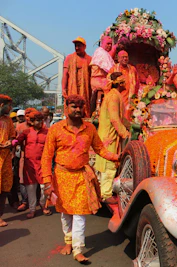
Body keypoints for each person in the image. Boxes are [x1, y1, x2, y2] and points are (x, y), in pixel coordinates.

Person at [41, 94, 119, 262]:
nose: (77, 110)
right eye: (73, 106)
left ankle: (78, 249)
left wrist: (116, 157)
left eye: (79, 107)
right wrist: (47, 181)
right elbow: (47, 157)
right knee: (66, 213)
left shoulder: (90, 128)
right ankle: (68, 241)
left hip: (82, 176)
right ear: (66, 107)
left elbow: (100, 149)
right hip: (61, 177)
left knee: (80, 213)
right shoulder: (56, 129)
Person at [94, 72, 129, 204]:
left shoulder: (115, 95)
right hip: (109, 136)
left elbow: (120, 118)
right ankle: (106, 194)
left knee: (111, 165)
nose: (126, 84)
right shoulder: (114, 96)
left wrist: (131, 126)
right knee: (109, 165)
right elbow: (115, 120)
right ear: (120, 84)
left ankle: (106, 191)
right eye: (124, 82)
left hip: (109, 135)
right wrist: (125, 134)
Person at [14, 110, 51, 218]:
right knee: (31, 188)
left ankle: (44, 205)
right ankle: (32, 209)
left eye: (41, 120)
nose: (39, 122)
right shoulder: (26, 132)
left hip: (43, 163)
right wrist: (13, 143)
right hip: (29, 164)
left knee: (45, 186)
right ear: (31, 121)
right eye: (37, 120)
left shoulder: (48, 132)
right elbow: (17, 141)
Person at [62, 37, 92, 118]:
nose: (77, 48)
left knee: (84, 107)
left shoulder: (89, 59)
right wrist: (63, 88)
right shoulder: (69, 58)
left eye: (79, 45)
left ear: (84, 46)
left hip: (85, 89)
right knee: (72, 106)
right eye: (75, 46)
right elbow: (65, 74)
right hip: (72, 89)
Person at [16, 107, 37, 212]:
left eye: (31, 114)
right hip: (24, 157)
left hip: (38, 158)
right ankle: (25, 202)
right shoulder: (20, 127)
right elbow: (15, 141)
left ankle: (38, 203)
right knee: (23, 179)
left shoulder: (40, 127)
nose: (29, 116)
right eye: (27, 114)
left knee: (38, 180)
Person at [108, 50, 140, 120]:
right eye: (123, 57)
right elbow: (108, 84)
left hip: (130, 100)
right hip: (117, 99)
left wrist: (135, 97)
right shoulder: (113, 69)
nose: (125, 59)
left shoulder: (132, 69)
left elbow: (137, 84)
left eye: (126, 57)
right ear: (118, 59)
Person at [0, 94, 16, 227]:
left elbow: (13, 136)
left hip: (5, 159)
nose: (10, 108)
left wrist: (10, 142)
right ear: (1, 105)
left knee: (4, 188)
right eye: (9, 106)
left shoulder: (8, 120)